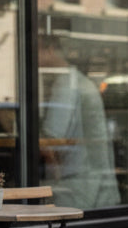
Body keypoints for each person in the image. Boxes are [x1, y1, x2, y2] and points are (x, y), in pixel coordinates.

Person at [38, 33, 120, 209]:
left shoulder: (67, 85)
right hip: (94, 179)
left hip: (78, 181)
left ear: (50, 50)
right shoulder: (78, 81)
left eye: (36, 50)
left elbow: (52, 141)